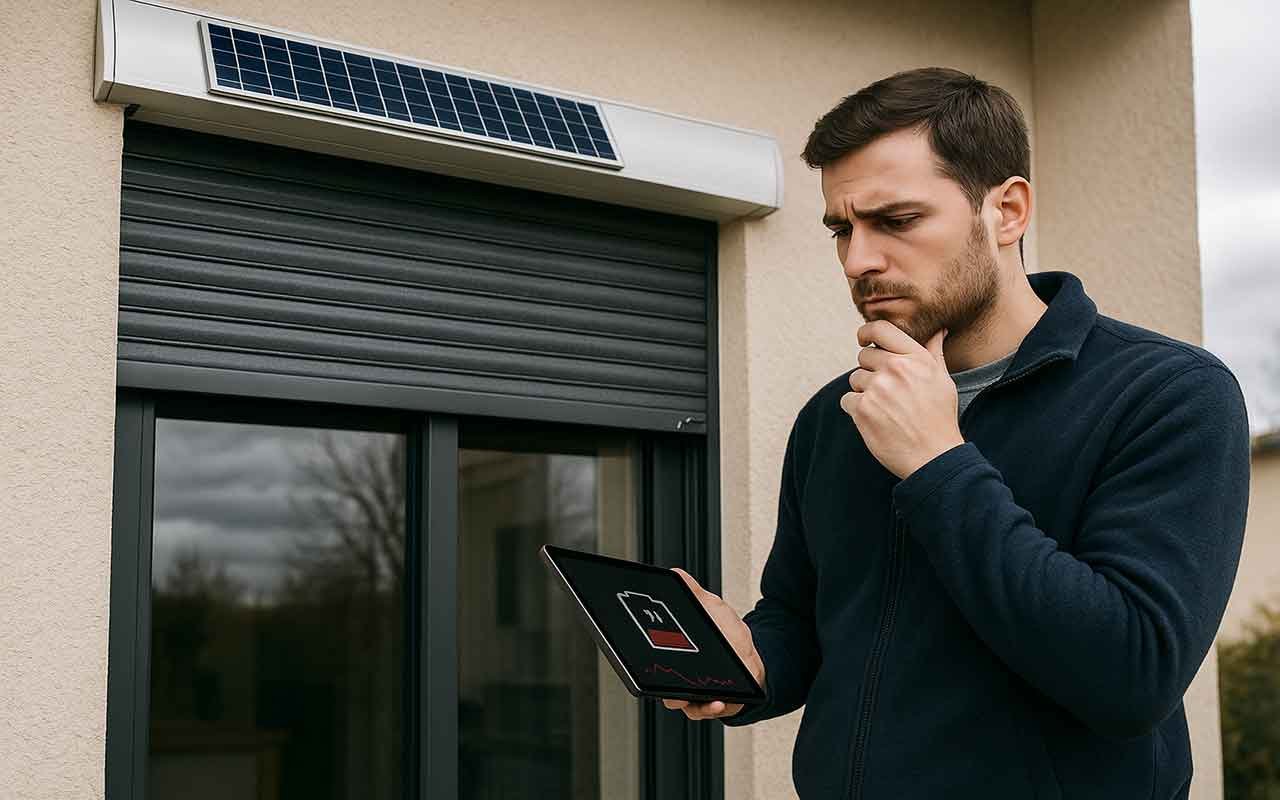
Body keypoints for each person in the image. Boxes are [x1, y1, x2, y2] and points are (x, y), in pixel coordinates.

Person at [662, 66, 1251, 799]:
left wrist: (938, 461)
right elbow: (804, 620)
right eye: (842, 229)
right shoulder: (837, 413)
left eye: (896, 221)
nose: (857, 260)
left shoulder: (1167, 395)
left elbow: (1132, 675)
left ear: (1006, 211)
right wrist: (750, 662)